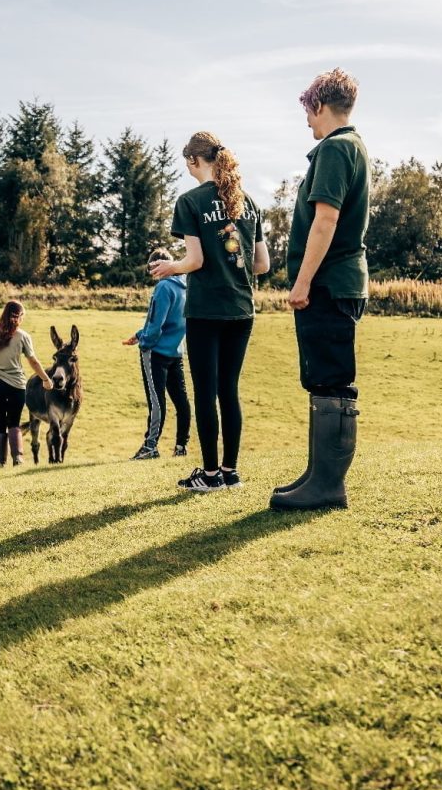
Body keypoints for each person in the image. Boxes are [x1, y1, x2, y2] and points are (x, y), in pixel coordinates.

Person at [270, 69, 369, 511]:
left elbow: (325, 220)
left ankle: (328, 487)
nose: (307, 121)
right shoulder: (352, 146)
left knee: (331, 378)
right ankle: (318, 475)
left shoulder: (334, 148)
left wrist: (303, 280)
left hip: (328, 282)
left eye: (307, 112)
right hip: (339, 280)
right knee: (324, 377)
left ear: (319, 105)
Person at [150, 132, 270, 492]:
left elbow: (196, 260)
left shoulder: (190, 201)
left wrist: (171, 268)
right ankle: (230, 472)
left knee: (205, 392)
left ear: (193, 162)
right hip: (242, 309)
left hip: (205, 310)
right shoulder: (248, 202)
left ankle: (209, 473)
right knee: (228, 391)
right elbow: (262, 264)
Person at [122, 247, 191, 460]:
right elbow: (172, 322)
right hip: (175, 352)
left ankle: (150, 446)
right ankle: (181, 446)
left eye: (152, 269)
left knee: (156, 400)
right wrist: (137, 333)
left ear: (157, 266)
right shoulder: (185, 287)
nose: (152, 274)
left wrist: (144, 343)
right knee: (181, 401)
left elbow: (156, 324)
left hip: (156, 353)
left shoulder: (163, 288)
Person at [0, 301, 53, 467]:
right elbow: (33, 361)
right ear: (20, 316)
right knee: (14, 422)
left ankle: (1, 462)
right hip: (17, 384)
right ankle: (18, 458)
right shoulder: (23, 336)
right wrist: (46, 379)